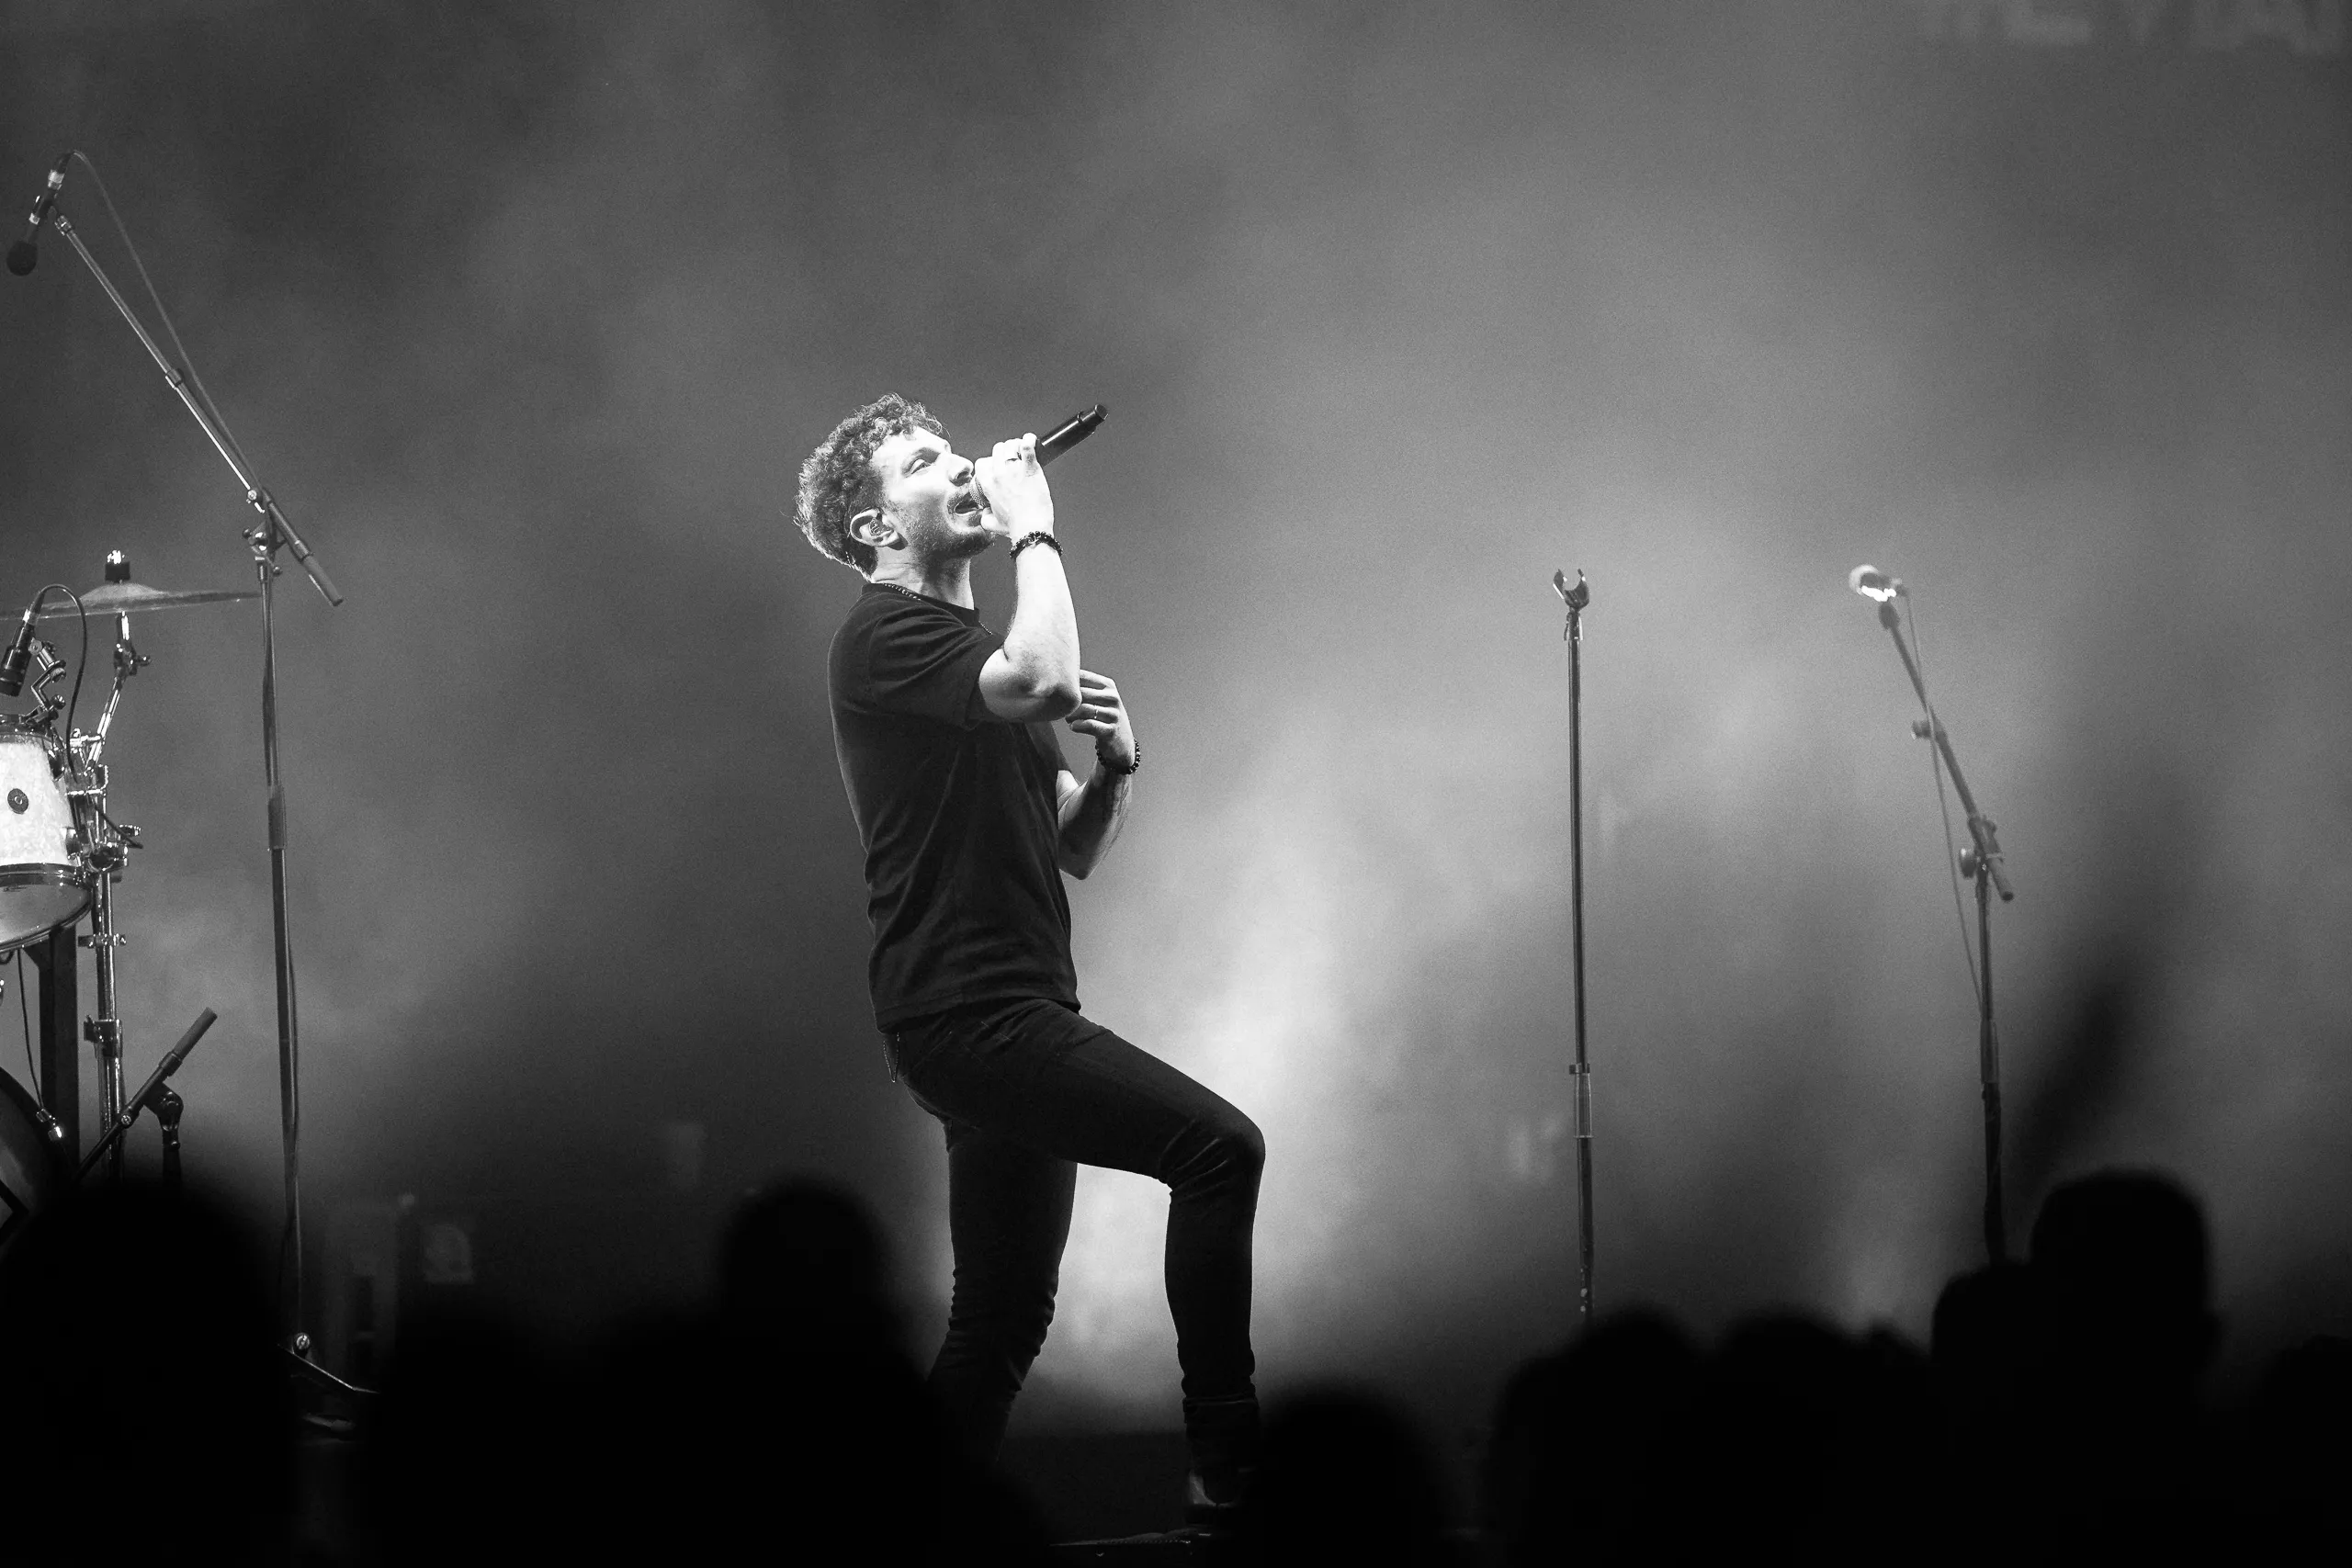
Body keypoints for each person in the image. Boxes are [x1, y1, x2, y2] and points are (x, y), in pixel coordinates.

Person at [795, 393, 1265, 1518]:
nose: (961, 467)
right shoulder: (884, 634)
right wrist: (1036, 529)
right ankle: (1229, 1466)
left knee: (1001, 1322)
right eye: (927, 464)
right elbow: (1044, 679)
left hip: (982, 1013)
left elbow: (1073, 846)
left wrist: (1115, 772)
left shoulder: (965, 650)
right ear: (876, 528)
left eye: (959, 453)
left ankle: (900, 1525)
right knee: (1218, 1152)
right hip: (973, 1012)